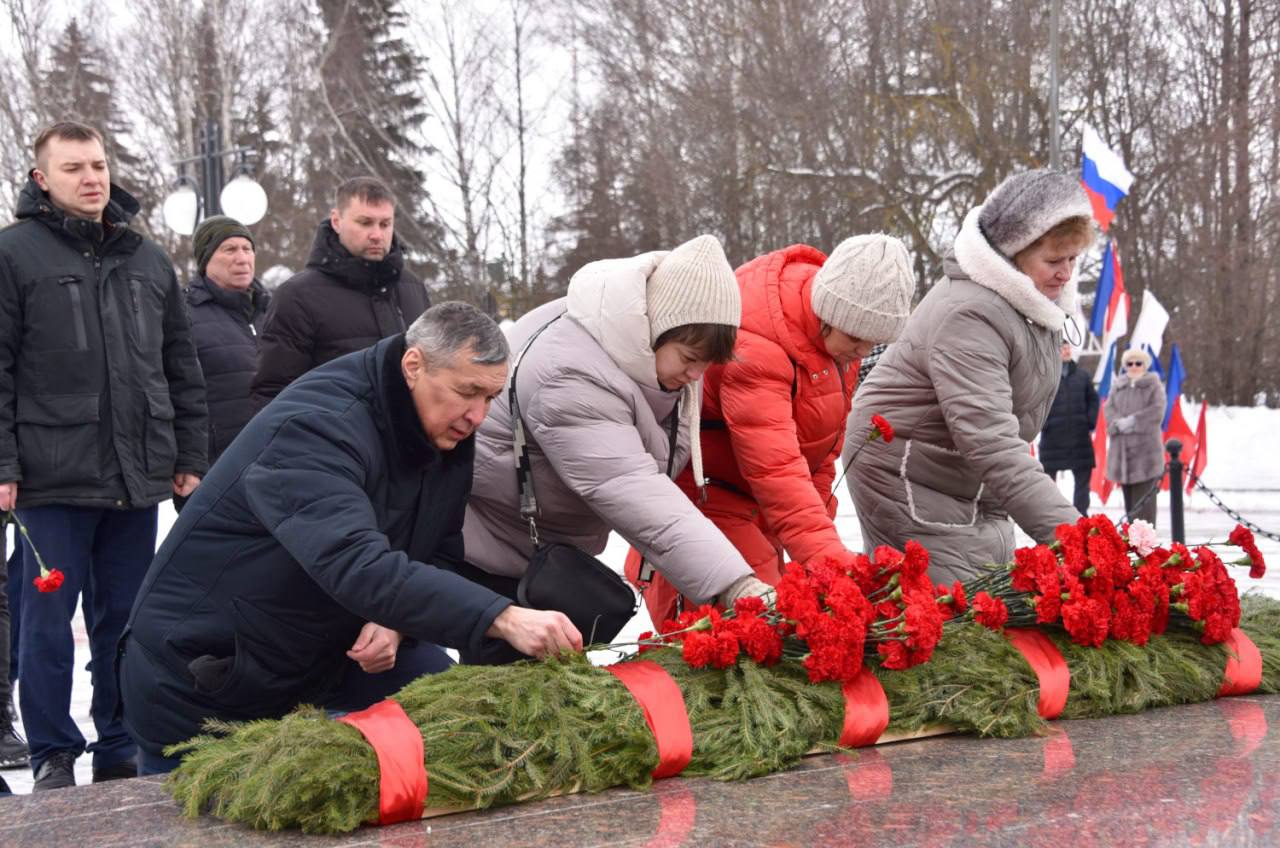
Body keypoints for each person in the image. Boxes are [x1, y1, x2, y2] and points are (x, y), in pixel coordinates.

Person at [120, 302, 581, 774]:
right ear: (414, 365)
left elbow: (438, 550)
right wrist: (501, 617)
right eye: (467, 392)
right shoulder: (316, 426)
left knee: (458, 717)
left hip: (325, 652)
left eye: (491, 397)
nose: (478, 415)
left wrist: (395, 622)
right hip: (209, 670)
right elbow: (353, 563)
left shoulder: (444, 430)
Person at [0, 121, 208, 790]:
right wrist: (3, 464)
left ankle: (120, 743)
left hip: (135, 476)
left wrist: (188, 454)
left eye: (97, 165)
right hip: (49, 478)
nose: (91, 178)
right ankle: (53, 752)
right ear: (42, 179)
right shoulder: (13, 254)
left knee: (125, 622)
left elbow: (181, 365)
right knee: (46, 626)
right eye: (73, 168)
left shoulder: (148, 259)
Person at [462, 235, 770, 655]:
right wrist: (735, 585)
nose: (697, 375)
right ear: (655, 329)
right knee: (505, 686)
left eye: (706, 364)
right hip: (496, 552)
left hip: (545, 549)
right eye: (688, 358)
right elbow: (628, 484)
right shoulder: (570, 374)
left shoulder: (651, 360)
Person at [630, 236, 915, 624]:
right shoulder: (758, 347)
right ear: (827, 313)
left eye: (875, 342)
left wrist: (817, 548)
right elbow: (776, 471)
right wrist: (829, 561)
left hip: (762, 511)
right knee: (749, 629)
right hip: (710, 505)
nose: (863, 353)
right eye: (856, 338)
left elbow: (821, 452)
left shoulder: (836, 346)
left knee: (785, 620)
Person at [845, 170, 1096, 584]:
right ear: (1013, 254)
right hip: (909, 470)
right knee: (958, 602)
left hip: (962, 472)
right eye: (1054, 261)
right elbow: (990, 440)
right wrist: (1077, 542)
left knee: (993, 592)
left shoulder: (1033, 303)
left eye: (1072, 259)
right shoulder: (972, 314)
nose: (1066, 274)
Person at [250, 176, 429, 407]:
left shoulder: (413, 287)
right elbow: (274, 392)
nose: (377, 235)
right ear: (336, 221)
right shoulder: (297, 296)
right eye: (365, 223)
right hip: (331, 428)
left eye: (385, 224)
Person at [180, 216, 271, 506]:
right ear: (206, 258)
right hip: (215, 472)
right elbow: (177, 392)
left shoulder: (273, 310)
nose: (242, 258)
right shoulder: (183, 314)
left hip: (275, 464)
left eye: (247, 249)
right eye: (229, 250)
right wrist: (188, 462)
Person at [1104, 348, 1167, 526]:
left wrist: (1133, 421)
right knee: (1130, 507)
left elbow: (1157, 410)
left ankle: (1146, 539)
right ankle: (1132, 538)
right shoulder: (1118, 385)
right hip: (1122, 454)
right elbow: (1108, 408)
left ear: (1144, 365)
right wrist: (1117, 423)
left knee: (1144, 507)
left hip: (1145, 455)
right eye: (1129, 363)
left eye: (1138, 363)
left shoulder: (1153, 385)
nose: (1134, 367)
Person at [1039, 342, 1101, 516]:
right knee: (1048, 482)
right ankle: (1052, 516)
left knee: (1082, 482)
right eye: (1061, 348)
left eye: (1067, 348)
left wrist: (1089, 421)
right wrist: (1044, 423)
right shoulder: (1046, 377)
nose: (1065, 352)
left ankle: (1080, 517)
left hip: (1079, 437)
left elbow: (1093, 400)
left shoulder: (1082, 376)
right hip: (1052, 438)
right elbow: (1036, 402)